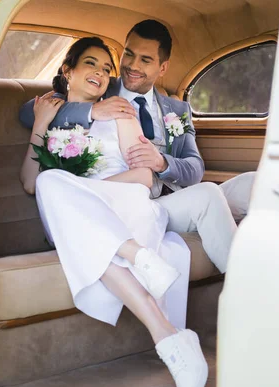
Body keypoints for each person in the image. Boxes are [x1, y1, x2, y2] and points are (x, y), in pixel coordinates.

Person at [19, 37, 208, 387]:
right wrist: (40, 125)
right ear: (67, 71)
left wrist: (85, 193)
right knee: (49, 183)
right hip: (77, 215)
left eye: (107, 69)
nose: (102, 73)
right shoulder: (51, 115)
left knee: (66, 201)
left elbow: (143, 178)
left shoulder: (121, 110)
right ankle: (166, 330)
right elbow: (30, 183)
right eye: (91, 64)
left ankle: (143, 271)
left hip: (124, 206)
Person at [21, 19, 253, 272]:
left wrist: (162, 162)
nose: (132, 65)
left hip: (174, 197)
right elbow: (28, 113)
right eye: (129, 55)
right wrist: (92, 110)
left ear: (162, 68)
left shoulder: (177, 109)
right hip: (138, 202)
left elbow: (195, 168)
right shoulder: (99, 86)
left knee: (256, 185)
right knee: (208, 195)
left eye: (145, 59)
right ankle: (244, 290)